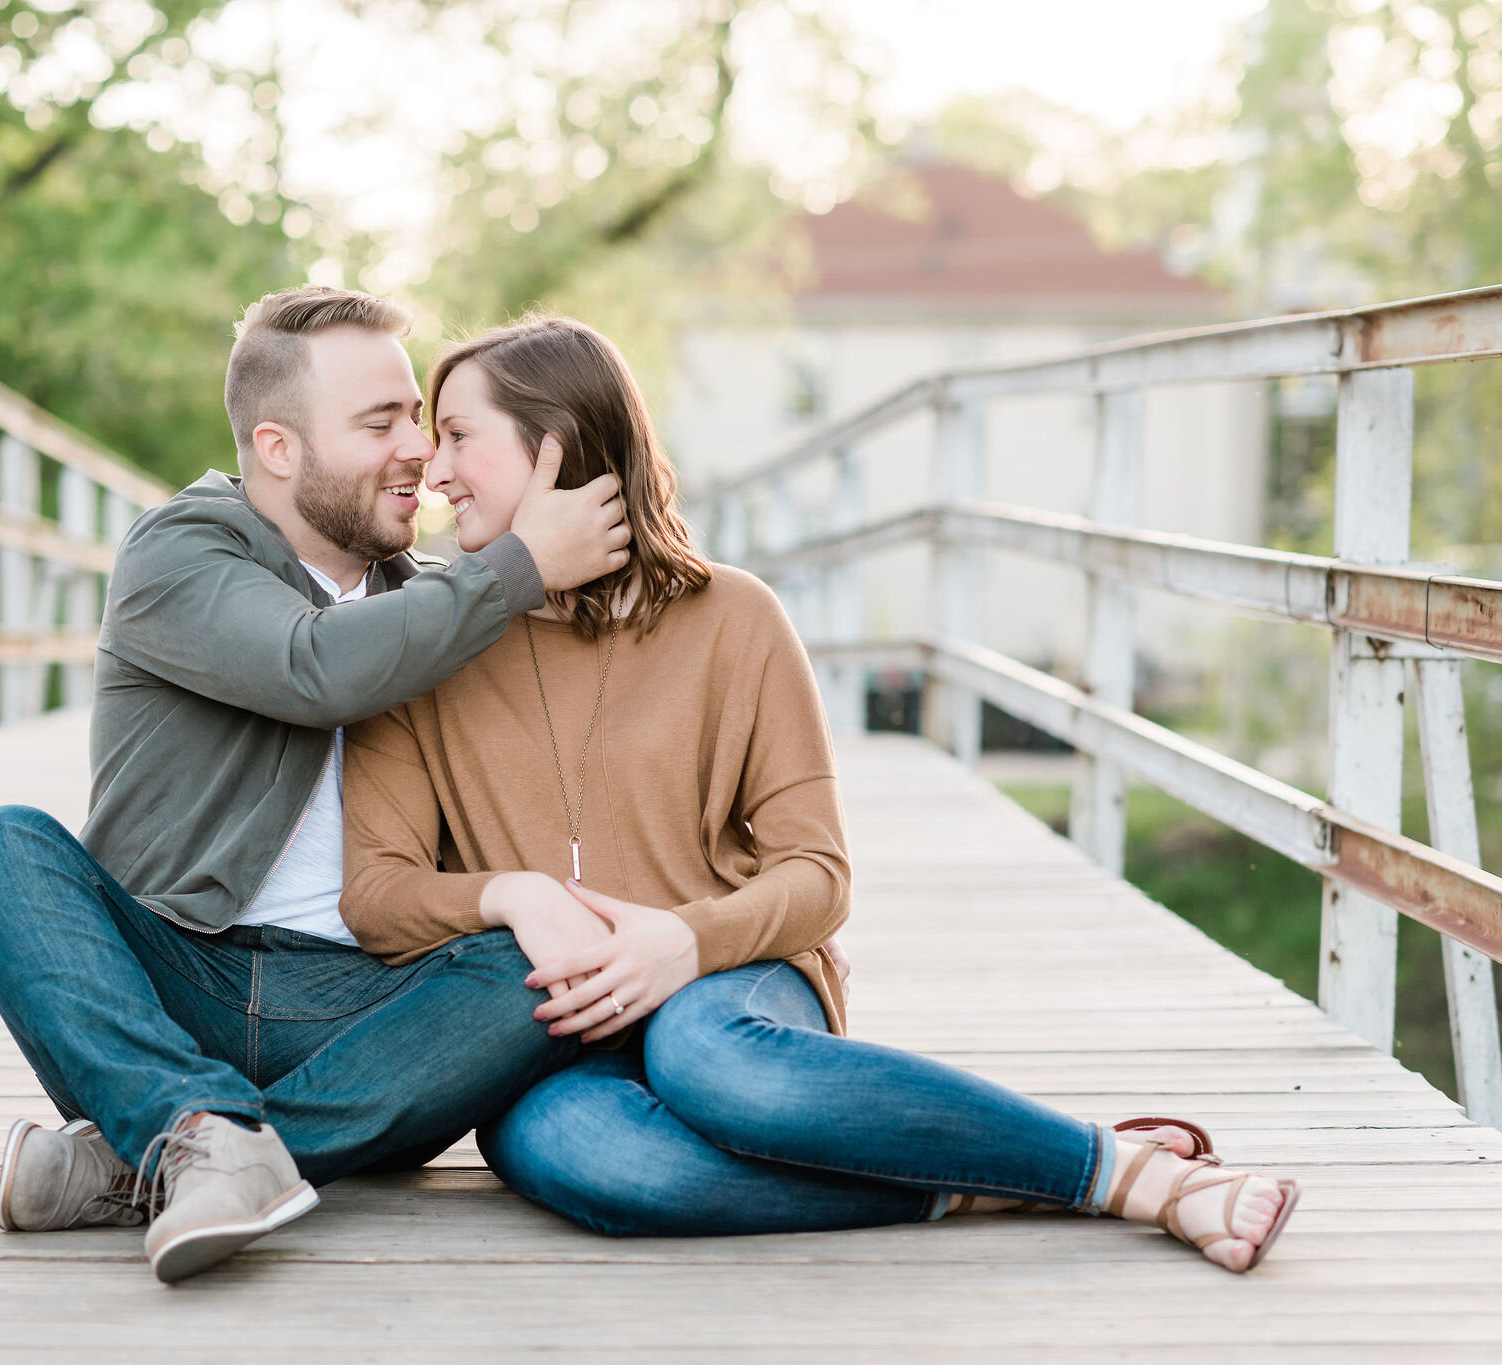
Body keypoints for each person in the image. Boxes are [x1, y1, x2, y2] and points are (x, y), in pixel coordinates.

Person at [339, 314, 1300, 1273]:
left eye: (459, 435)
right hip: (554, 1034)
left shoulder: (734, 617)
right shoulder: (424, 641)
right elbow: (376, 896)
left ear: (551, 450)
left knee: (706, 1059)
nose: (434, 469)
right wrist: (509, 894)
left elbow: (819, 873)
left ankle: (1133, 1174)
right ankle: (973, 1172)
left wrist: (686, 939)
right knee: (583, 1157)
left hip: (732, 982)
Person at [0, 286, 632, 1284]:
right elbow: (314, 669)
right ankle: (188, 1121)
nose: (418, 453)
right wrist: (521, 565)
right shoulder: (177, 551)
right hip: (174, 977)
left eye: (419, 420)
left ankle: (167, 1155)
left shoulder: (434, 600)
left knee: (531, 963)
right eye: (380, 422)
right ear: (277, 448)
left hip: (365, 1011)